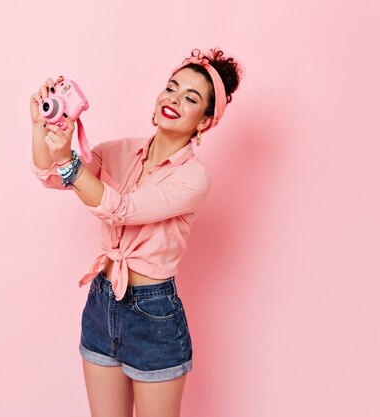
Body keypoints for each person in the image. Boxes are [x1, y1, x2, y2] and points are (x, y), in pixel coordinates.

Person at [29, 48, 242, 417]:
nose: (174, 100)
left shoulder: (193, 178)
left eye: (190, 98)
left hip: (153, 315)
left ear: (205, 122)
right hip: (101, 302)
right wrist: (43, 129)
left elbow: (120, 209)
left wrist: (68, 162)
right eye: (171, 88)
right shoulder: (120, 151)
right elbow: (53, 177)